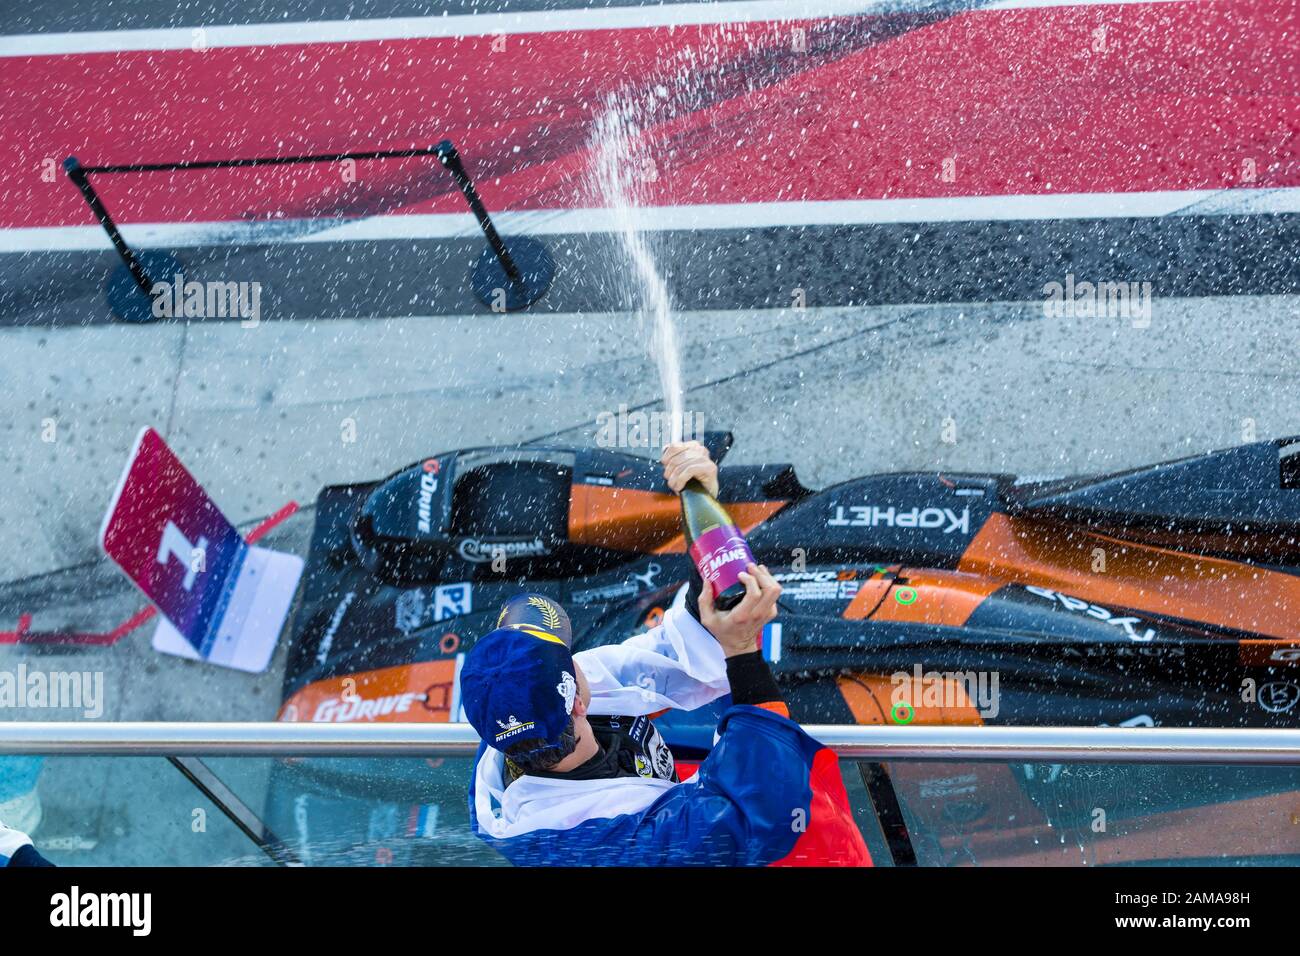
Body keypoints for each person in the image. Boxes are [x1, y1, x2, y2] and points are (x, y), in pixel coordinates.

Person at [461, 440, 871, 866]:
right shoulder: (614, 845)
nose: (581, 661)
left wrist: (704, 512)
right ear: (579, 701)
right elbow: (763, 812)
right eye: (570, 659)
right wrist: (743, 650)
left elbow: (669, 656)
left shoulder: (517, 722)